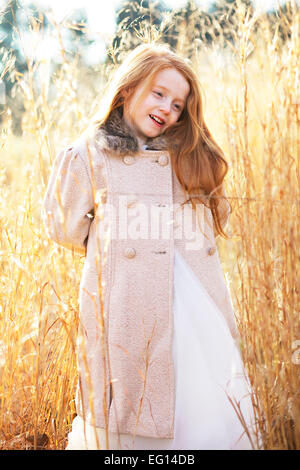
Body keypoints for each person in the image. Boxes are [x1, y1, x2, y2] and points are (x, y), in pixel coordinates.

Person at [43, 43, 260, 450]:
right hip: (129, 301)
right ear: (127, 89)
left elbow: (218, 219)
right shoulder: (90, 154)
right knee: (131, 409)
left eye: (179, 104)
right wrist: (113, 242)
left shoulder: (190, 156)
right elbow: (63, 226)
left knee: (198, 404)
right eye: (159, 93)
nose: (168, 109)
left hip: (193, 303)